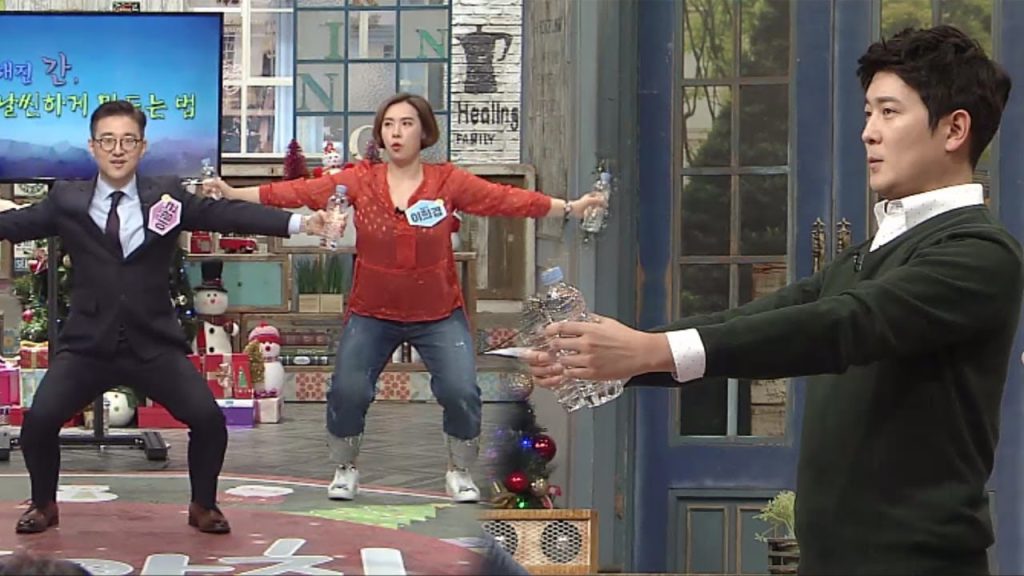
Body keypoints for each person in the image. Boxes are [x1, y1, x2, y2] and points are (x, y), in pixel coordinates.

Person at [527, 25, 1020, 575]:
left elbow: (843, 325)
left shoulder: (978, 253)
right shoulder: (870, 253)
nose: (868, 133)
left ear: (955, 129)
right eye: (867, 113)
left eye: (889, 112)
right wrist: (613, 360)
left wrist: (647, 351)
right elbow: (763, 318)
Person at [202, 92, 607, 503]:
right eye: (389, 124)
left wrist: (569, 207)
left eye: (407, 123)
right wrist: (233, 192)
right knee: (348, 391)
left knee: (461, 391)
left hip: (438, 313)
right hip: (371, 312)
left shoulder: (447, 182)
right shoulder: (359, 180)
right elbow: (294, 192)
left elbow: (506, 199)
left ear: (424, 132)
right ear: (380, 134)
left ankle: (459, 470)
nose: (396, 133)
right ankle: (345, 467)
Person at [0, 100, 332, 535]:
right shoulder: (67, 199)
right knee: (39, 423)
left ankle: (203, 505)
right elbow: (16, 224)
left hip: (153, 343)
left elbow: (227, 214)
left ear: (142, 147)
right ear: (92, 146)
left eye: (128, 140)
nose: (117, 149)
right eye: (107, 140)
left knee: (208, 422)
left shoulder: (167, 195)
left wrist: (300, 224)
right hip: (87, 344)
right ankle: (44, 504)